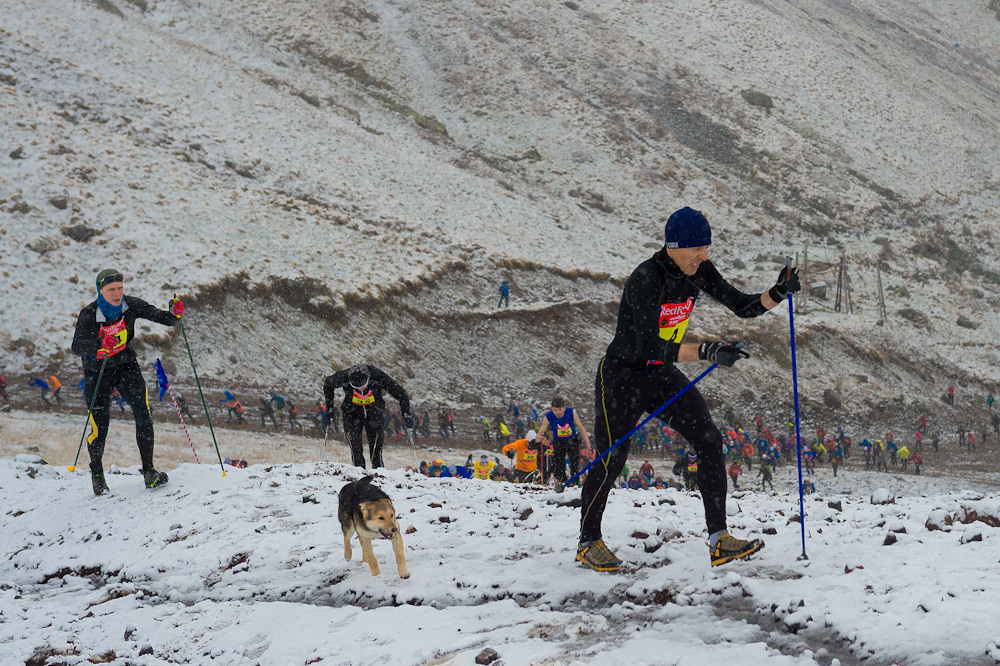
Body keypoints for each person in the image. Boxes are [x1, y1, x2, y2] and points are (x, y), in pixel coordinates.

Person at [576, 206, 801, 573]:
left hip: (662, 375)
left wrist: (777, 292)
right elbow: (649, 345)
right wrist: (707, 350)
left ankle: (719, 540)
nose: (704, 256)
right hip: (622, 377)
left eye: (707, 249)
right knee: (612, 458)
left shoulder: (699, 272)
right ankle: (588, 542)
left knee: (710, 439)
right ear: (674, 246)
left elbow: (742, 306)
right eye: (698, 249)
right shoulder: (645, 279)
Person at [71, 269, 180, 495]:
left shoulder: (130, 305)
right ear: (100, 290)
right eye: (111, 289)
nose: (117, 293)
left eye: (120, 288)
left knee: (143, 413)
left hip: (125, 366)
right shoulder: (89, 313)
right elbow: (77, 345)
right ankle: (98, 475)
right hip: (97, 372)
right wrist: (100, 342)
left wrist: (175, 313)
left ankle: (149, 472)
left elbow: (163, 318)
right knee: (100, 425)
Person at [324, 363, 412, 469]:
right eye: (356, 387)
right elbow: (328, 384)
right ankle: (359, 473)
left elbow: (401, 393)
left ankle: (379, 473)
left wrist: (406, 413)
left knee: (376, 449)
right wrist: (329, 408)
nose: (360, 390)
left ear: (368, 378)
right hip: (352, 414)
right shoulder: (343, 376)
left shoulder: (378, 376)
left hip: (374, 414)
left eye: (362, 386)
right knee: (356, 448)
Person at [536, 397, 592, 492]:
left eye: (560, 410)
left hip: (572, 439)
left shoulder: (571, 412)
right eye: (555, 410)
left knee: (574, 462)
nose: (558, 413)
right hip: (559, 441)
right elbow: (539, 434)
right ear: (551, 409)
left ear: (564, 408)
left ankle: (575, 484)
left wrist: (588, 445)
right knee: (559, 463)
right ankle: (561, 483)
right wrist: (542, 439)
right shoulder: (548, 417)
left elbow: (582, 428)